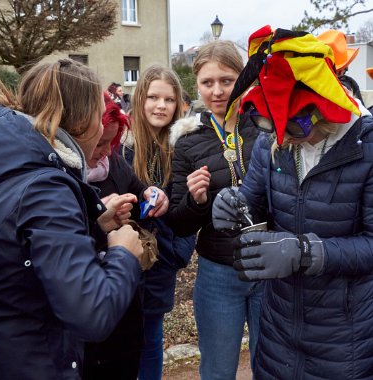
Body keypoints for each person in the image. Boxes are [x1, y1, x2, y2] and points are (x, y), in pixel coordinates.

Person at [212, 25, 373, 379]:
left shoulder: (367, 147)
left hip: (344, 341)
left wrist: (307, 253)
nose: (284, 138)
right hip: (278, 332)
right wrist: (231, 203)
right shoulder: (274, 146)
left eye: (296, 128)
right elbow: (252, 200)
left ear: (325, 109)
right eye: (270, 125)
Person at [0, 59, 148, 379]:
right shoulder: (46, 188)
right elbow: (92, 314)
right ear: (88, 122)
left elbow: (18, 250)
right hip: (32, 362)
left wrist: (94, 226)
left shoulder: (12, 160)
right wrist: (123, 254)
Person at [168, 40, 261, 380]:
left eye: (227, 79)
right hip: (219, 273)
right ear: (198, 86)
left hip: (271, 270)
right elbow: (178, 224)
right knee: (218, 370)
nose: (218, 91)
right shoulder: (188, 141)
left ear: (243, 78)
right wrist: (196, 200)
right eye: (208, 83)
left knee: (273, 365)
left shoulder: (267, 125)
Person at [83, 93, 168, 380]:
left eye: (112, 142)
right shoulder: (64, 175)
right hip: (90, 301)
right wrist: (100, 224)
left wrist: (151, 196)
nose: (106, 150)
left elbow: (140, 196)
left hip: (126, 296)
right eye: (100, 142)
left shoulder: (115, 163)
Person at [121, 64, 196, 380]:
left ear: (178, 103)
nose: (161, 106)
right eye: (153, 97)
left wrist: (176, 251)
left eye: (168, 99)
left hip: (161, 261)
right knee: (119, 341)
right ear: (140, 99)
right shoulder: (120, 147)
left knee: (151, 338)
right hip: (122, 260)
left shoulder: (184, 149)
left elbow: (192, 209)